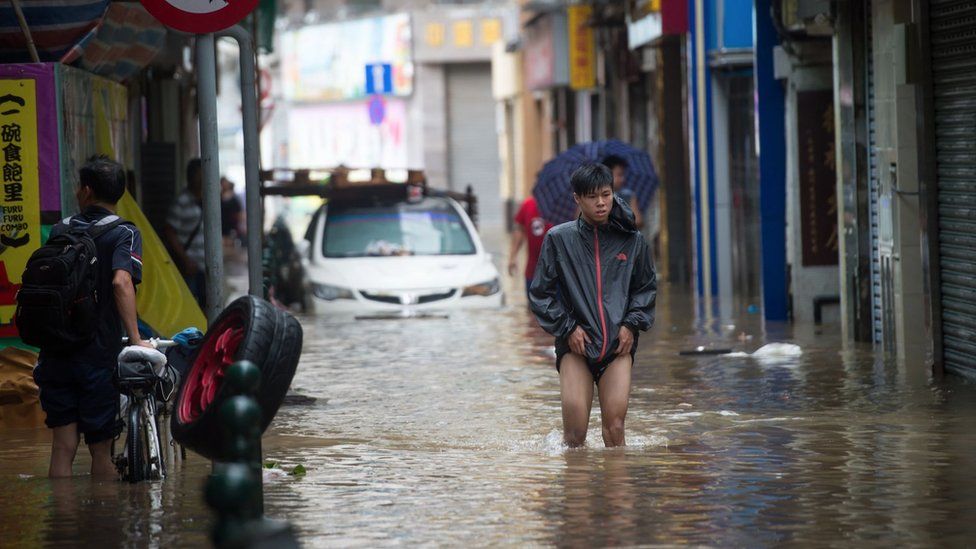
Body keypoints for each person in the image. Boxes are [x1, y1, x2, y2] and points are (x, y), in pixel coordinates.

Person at [32, 156, 149, 478]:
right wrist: (137, 339)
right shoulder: (124, 233)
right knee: (101, 452)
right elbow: (121, 282)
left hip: (55, 350)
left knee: (62, 447)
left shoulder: (61, 229)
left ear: (85, 191)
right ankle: (101, 526)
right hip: (97, 354)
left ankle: (64, 525)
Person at [529, 163, 656, 448]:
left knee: (615, 429)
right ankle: (578, 489)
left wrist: (630, 325)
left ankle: (617, 489)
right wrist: (568, 328)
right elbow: (540, 294)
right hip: (576, 346)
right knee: (575, 435)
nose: (600, 203)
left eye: (606, 194)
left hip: (617, 345)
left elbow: (646, 288)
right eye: (591, 197)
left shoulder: (633, 241)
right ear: (577, 198)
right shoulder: (559, 239)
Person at [164, 158, 206, 309]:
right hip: (190, 266)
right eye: (199, 174)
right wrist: (185, 259)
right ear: (191, 177)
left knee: (206, 306)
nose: (202, 178)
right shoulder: (181, 201)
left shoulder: (207, 200)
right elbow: (169, 232)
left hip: (204, 266)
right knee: (188, 307)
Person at [508, 195, 553, 298]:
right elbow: (519, 229)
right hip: (533, 272)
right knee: (532, 310)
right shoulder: (528, 204)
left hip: (559, 274)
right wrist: (512, 257)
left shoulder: (566, 207)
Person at [602, 155, 644, 229]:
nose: (622, 179)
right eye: (619, 175)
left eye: (623, 175)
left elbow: (638, 221)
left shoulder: (628, 195)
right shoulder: (592, 194)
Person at [220, 176, 244, 245]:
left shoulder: (234, 198)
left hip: (231, 228)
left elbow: (239, 214)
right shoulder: (219, 198)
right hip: (222, 228)